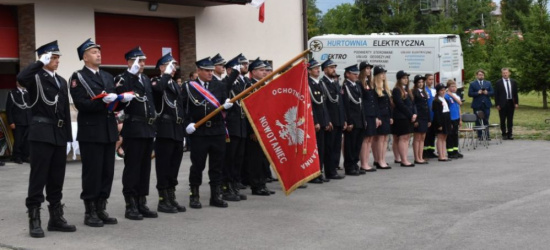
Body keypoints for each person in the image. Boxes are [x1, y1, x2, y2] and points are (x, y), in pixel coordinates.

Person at [17, 41, 76, 238]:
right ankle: (34, 218)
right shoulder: (35, 76)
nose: (57, 60)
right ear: (43, 58)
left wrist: (68, 138)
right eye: (53, 57)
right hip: (41, 132)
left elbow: (65, 111)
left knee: (56, 177)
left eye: (58, 57)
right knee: (38, 176)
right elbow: (20, 77)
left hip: (58, 134)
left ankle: (56, 218)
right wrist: (38, 64)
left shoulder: (61, 81)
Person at [70, 38, 121, 227]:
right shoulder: (78, 77)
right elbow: (81, 104)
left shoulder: (107, 76)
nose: (98, 54)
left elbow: (114, 101)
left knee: (107, 171)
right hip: (91, 132)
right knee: (93, 172)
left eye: (98, 51)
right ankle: (89, 210)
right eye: (93, 52)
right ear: (84, 57)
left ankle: (101, 207)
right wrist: (103, 101)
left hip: (108, 130)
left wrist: (122, 100)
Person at [183, 57, 234, 207]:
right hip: (199, 132)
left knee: (217, 166)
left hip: (217, 130)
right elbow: (183, 107)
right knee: (197, 165)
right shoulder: (189, 86)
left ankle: (215, 196)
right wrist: (187, 125)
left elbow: (225, 105)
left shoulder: (219, 85)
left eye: (212, 70)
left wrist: (226, 106)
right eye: (207, 71)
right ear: (198, 71)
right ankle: (194, 195)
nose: (210, 73)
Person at [115, 46, 157, 220]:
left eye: (144, 61)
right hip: (133, 127)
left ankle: (141, 201)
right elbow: (119, 97)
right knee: (132, 167)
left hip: (147, 128)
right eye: (139, 61)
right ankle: (130, 203)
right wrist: (131, 75)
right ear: (130, 61)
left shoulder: (146, 79)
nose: (142, 64)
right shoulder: (122, 78)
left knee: (145, 167)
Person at [150, 53, 187, 213]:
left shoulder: (174, 84)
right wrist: (165, 75)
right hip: (165, 129)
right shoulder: (157, 81)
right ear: (162, 67)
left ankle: (171, 197)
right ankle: (163, 199)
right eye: (170, 65)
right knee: (164, 166)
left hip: (177, 129)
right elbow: (157, 90)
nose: (174, 68)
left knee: (174, 166)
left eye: (175, 65)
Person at [222, 55, 249, 201]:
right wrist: (233, 75)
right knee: (230, 158)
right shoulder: (226, 81)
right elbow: (224, 88)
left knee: (238, 158)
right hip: (231, 126)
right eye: (238, 67)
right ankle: (226, 187)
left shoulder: (240, 83)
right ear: (230, 70)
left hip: (240, 124)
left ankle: (234, 184)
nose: (243, 68)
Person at [319, 59, 346, 179]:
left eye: (334, 67)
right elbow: (324, 105)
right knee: (329, 148)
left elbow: (340, 103)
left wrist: (344, 119)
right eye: (331, 67)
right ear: (324, 70)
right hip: (331, 121)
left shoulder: (335, 83)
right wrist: (328, 120)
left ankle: (334, 169)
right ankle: (329, 171)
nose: (333, 69)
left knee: (336, 147)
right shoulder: (322, 83)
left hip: (339, 119)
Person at [307, 59, 332, 182]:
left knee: (321, 149)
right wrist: (315, 121)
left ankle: (319, 172)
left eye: (318, 68)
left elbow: (323, 104)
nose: (318, 70)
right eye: (315, 68)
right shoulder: (308, 84)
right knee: (314, 149)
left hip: (322, 120)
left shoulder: (320, 83)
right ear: (309, 70)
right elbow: (310, 105)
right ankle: (313, 174)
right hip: (315, 121)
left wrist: (327, 121)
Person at [343, 64, 366, 175]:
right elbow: (346, 106)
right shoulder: (345, 86)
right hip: (352, 120)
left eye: (357, 73)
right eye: (354, 73)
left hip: (360, 119)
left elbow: (361, 104)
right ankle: (349, 166)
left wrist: (363, 119)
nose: (357, 75)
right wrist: (349, 121)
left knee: (357, 144)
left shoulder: (357, 85)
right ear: (347, 74)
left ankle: (355, 164)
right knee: (350, 145)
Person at [358, 61, 380, 172]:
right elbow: (361, 101)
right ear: (362, 70)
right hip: (365, 114)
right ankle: (363, 163)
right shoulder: (359, 83)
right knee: (365, 139)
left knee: (370, 138)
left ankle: (367, 162)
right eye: (367, 68)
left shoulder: (369, 83)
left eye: (370, 68)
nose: (369, 70)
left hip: (372, 114)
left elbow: (374, 101)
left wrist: (376, 116)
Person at [391, 70, 416, 167]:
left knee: (407, 137)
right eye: (404, 78)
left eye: (407, 78)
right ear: (399, 79)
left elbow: (412, 104)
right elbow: (400, 104)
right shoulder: (397, 90)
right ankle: (403, 159)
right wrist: (410, 114)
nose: (406, 80)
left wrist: (414, 114)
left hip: (408, 116)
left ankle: (403, 158)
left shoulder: (407, 90)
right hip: (401, 117)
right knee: (402, 137)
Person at [5, 82, 32, 164]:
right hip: (18, 121)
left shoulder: (28, 93)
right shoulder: (12, 93)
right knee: (18, 140)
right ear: (17, 83)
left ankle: (25, 156)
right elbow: (9, 109)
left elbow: (31, 107)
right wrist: (11, 122)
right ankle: (17, 157)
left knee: (27, 141)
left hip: (28, 121)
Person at [372, 66, 392, 169]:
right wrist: (377, 117)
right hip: (380, 116)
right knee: (380, 139)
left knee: (385, 138)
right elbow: (375, 105)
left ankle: (382, 159)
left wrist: (390, 116)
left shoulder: (385, 88)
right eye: (381, 73)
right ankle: (379, 160)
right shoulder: (375, 88)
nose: (383, 75)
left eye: (384, 73)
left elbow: (388, 104)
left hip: (386, 115)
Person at [494, 68, 519, 140]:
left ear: (509, 73)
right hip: (502, 103)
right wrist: (497, 104)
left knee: (510, 119)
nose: (505, 74)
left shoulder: (513, 82)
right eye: (503, 73)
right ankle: (504, 134)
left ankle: (510, 134)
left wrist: (516, 103)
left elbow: (515, 93)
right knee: (502, 119)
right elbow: (496, 94)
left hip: (511, 102)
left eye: (506, 73)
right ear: (502, 74)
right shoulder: (498, 82)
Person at [468, 69, 493, 139]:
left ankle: (487, 135)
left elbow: (492, 92)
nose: (481, 76)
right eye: (479, 75)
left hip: (486, 104)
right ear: (476, 76)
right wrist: (477, 93)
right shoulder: (473, 84)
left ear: (484, 76)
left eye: (482, 75)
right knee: (478, 120)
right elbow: (470, 94)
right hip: (477, 104)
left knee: (486, 120)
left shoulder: (488, 83)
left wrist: (487, 93)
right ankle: (480, 135)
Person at [411, 75, 430, 164]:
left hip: (425, 117)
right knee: (417, 138)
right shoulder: (414, 92)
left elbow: (427, 106)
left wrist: (429, 119)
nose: (421, 84)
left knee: (422, 137)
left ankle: (420, 156)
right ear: (416, 83)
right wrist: (416, 119)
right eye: (419, 82)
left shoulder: (424, 92)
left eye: (422, 82)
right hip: (419, 117)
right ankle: (417, 157)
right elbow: (414, 106)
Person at [432, 84, 452, 161]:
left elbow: (448, 112)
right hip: (441, 120)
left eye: (444, 90)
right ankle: (440, 155)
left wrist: (449, 122)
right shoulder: (436, 101)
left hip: (446, 119)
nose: (443, 92)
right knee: (440, 137)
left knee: (444, 137)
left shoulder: (445, 100)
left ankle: (444, 154)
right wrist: (439, 124)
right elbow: (437, 113)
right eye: (441, 90)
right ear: (438, 92)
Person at [445, 80, 463, 159]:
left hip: (456, 118)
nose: (454, 88)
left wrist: (460, 119)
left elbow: (459, 105)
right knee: (450, 135)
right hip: (450, 118)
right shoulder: (446, 96)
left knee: (455, 135)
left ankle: (456, 150)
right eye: (452, 86)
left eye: (455, 86)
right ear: (448, 88)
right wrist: (450, 95)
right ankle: (450, 152)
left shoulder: (456, 96)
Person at [422, 73, 437, 159]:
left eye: (432, 79)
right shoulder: (424, 90)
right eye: (429, 79)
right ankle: (425, 151)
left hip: (434, 114)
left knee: (432, 134)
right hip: (428, 115)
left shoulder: (434, 90)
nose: (431, 81)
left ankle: (431, 150)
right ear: (425, 80)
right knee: (427, 134)